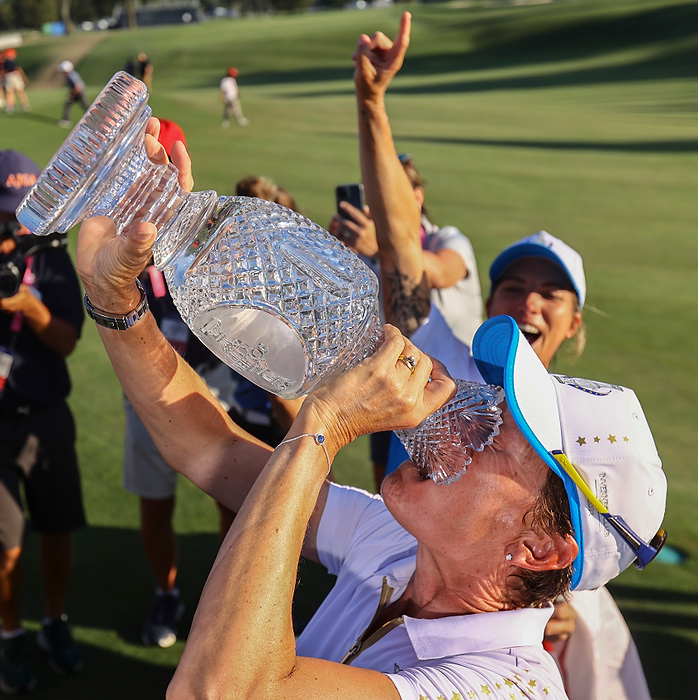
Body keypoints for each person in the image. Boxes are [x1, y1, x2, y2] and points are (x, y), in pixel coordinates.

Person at [70, 116, 667, 697]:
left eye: (495, 436)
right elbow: (207, 448)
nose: (460, 420)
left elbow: (224, 688)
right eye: (485, 404)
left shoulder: (506, 687)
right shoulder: (405, 543)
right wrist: (115, 298)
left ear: (539, 550)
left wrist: (324, 426)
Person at [353, 14, 652, 700]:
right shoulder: (442, 360)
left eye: (550, 294)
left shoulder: (592, 443)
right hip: (405, 572)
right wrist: (372, 105)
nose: (529, 303)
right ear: (488, 303)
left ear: (575, 324)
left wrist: (554, 602)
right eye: (513, 287)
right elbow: (401, 247)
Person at [121, 119, 236, 648]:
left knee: (235, 502)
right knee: (155, 500)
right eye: (143, 170)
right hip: (148, 392)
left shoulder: (210, 229)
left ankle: (233, 602)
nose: (152, 182)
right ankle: (166, 594)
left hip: (215, 388)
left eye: (163, 167)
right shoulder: (121, 236)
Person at [0, 150, 85, 693]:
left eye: (23, 211)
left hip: (48, 415)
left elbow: (67, 340)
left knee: (56, 529)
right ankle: (10, 636)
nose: (15, 224)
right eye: (7, 211)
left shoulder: (52, 258)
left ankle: (54, 621)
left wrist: (27, 307)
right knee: (4, 542)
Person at [57, 61, 89, 128]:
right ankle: (66, 119)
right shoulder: (70, 75)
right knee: (68, 104)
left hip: (79, 92)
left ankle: (92, 118)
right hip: (78, 92)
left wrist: (71, 95)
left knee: (85, 106)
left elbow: (77, 86)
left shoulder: (70, 75)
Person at [1, 49, 30, 114]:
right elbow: (18, 69)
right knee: (19, 91)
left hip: (8, 76)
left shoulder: (5, 62)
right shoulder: (12, 61)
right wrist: (24, 77)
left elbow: (4, 71)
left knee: (10, 92)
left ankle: (10, 106)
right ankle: (24, 104)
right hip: (15, 76)